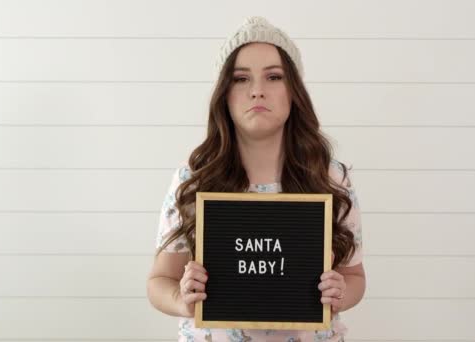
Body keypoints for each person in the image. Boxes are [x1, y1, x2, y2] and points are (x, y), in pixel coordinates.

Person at [146, 16, 365, 342]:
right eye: (241, 79)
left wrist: (340, 294)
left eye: (274, 77)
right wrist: (182, 299)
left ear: (294, 91)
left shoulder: (331, 177)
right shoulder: (194, 178)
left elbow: (354, 276)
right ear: (224, 92)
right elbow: (159, 280)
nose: (257, 91)